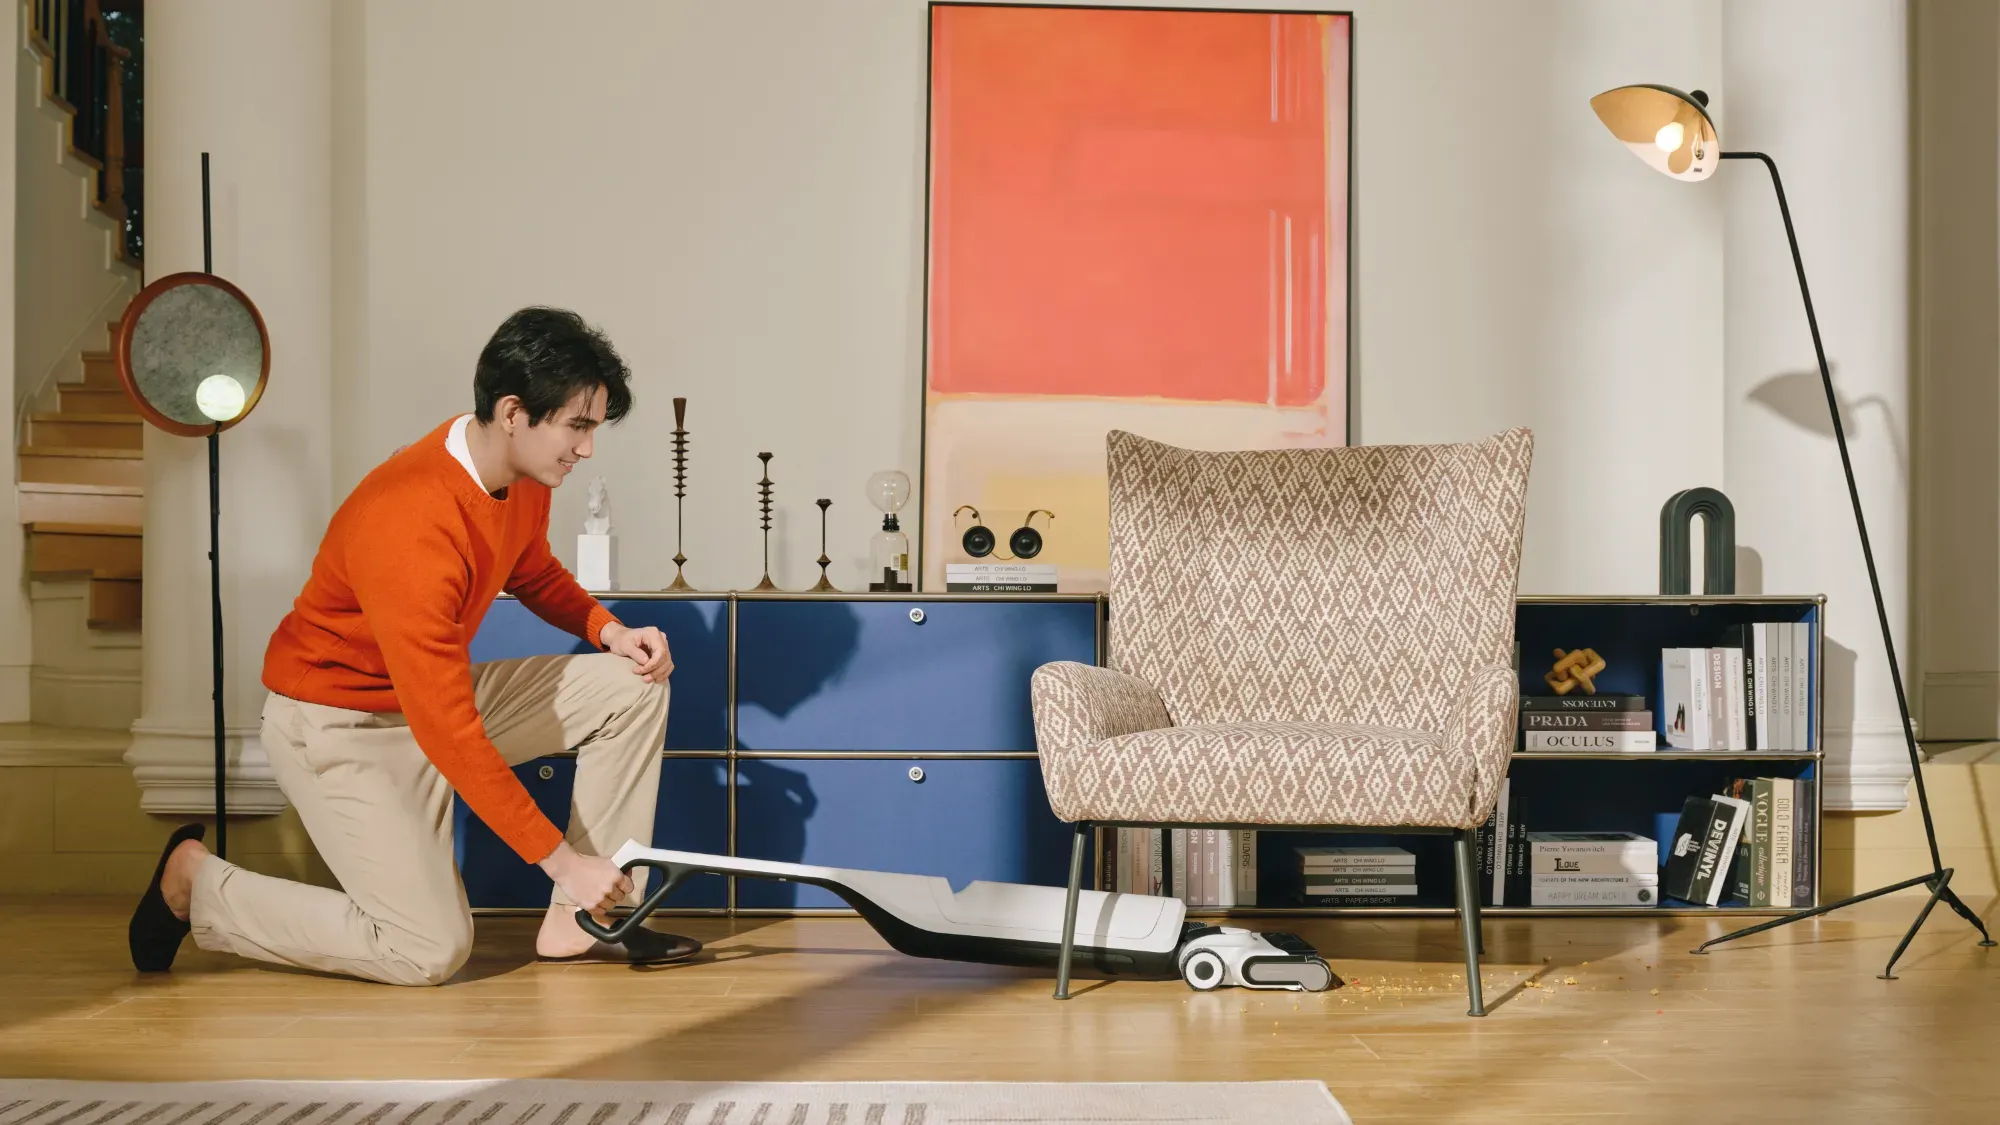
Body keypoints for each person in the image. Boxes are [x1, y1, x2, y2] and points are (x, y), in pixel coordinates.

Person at [126, 307, 695, 985]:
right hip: (339, 725)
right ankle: (195, 883)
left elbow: (531, 569)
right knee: (426, 949)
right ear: (513, 412)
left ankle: (585, 917)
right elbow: (448, 729)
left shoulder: (520, 475)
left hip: (419, 701)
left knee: (631, 683)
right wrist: (564, 862)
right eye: (578, 426)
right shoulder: (410, 520)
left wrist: (609, 629)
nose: (588, 448)